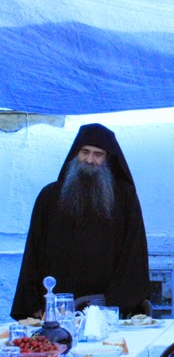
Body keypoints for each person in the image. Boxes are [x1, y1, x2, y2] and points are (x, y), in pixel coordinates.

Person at [12, 123, 151, 319]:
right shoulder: (49, 196)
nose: (90, 160)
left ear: (107, 159)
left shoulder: (124, 197)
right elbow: (33, 251)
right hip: (58, 307)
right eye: (85, 152)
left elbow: (134, 251)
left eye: (98, 154)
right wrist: (34, 302)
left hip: (106, 307)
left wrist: (115, 303)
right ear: (75, 154)